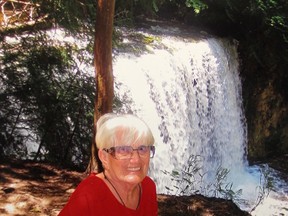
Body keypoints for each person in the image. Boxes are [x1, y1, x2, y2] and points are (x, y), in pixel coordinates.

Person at [59, 113, 158, 216]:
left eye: (142, 149)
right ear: (104, 157)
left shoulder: (148, 187)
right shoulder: (88, 196)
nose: (136, 159)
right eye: (123, 150)